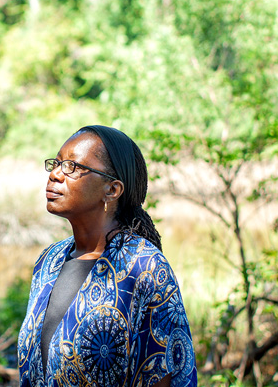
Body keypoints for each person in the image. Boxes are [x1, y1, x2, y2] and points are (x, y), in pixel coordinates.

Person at [17, 125, 197, 387]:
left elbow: (163, 374)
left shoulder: (144, 266)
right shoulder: (49, 260)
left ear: (112, 190)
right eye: (56, 163)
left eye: (72, 167)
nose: (55, 174)